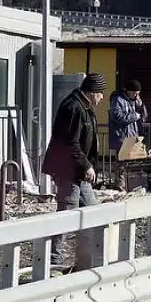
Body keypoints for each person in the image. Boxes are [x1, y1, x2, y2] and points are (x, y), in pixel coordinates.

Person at [41, 72, 107, 272]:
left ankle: (86, 258)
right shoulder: (73, 107)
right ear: (92, 92)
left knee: (91, 211)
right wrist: (86, 165)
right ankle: (54, 259)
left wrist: (87, 165)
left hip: (79, 170)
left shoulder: (85, 107)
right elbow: (70, 142)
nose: (102, 97)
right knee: (67, 213)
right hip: (68, 169)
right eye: (100, 93)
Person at [108, 79, 148, 152]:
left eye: (138, 93)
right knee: (123, 161)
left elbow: (144, 117)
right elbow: (117, 117)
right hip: (123, 139)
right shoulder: (117, 99)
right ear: (128, 91)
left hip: (134, 138)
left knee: (132, 161)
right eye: (135, 93)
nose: (137, 96)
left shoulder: (134, 100)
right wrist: (136, 116)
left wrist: (141, 106)